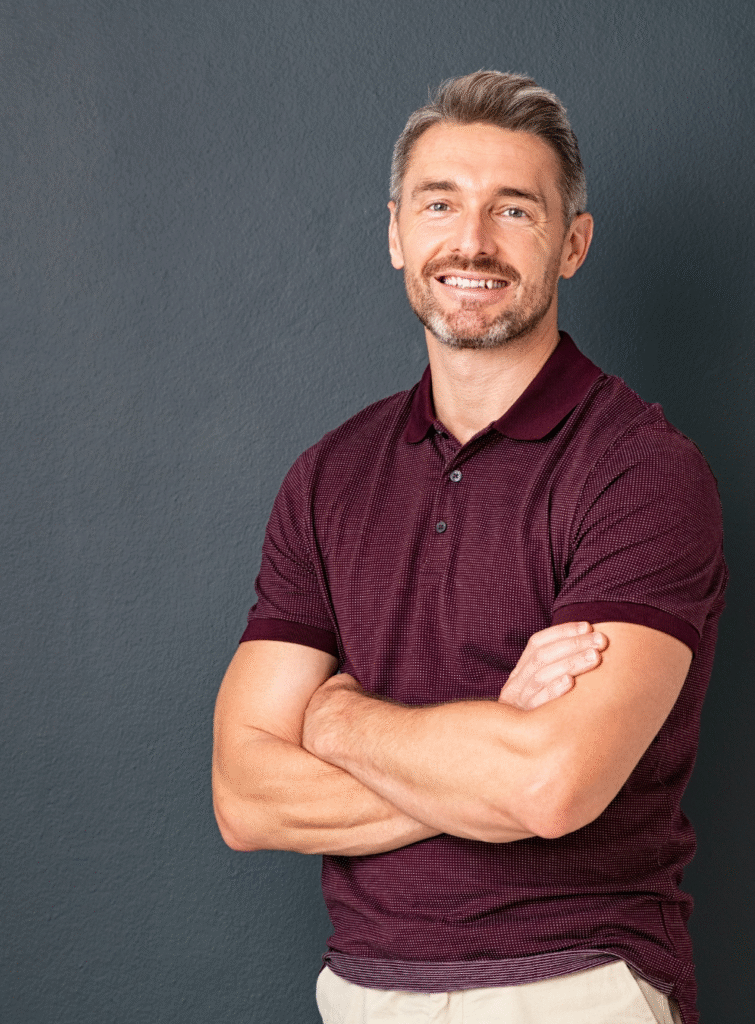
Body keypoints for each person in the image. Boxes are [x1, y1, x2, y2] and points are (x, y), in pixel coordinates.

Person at [212, 70, 726, 1024]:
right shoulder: (327, 477)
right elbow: (244, 796)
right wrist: (490, 730)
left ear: (572, 244)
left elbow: (547, 784)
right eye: (440, 203)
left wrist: (333, 723)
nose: (472, 242)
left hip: (572, 988)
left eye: (515, 211)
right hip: (362, 993)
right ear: (397, 232)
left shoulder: (642, 472)